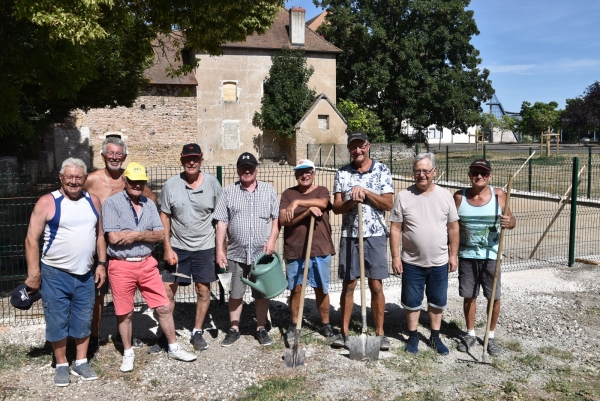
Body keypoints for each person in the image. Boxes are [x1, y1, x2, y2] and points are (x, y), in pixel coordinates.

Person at [102, 162, 196, 372]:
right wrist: (146, 235)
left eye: (141, 181)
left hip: (147, 263)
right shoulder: (111, 204)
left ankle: (173, 347)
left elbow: (160, 233)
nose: (137, 185)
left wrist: (135, 234)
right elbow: (114, 238)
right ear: (125, 181)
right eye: (133, 181)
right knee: (124, 313)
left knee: (163, 307)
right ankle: (128, 353)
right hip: (121, 265)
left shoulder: (149, 204)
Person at [24, 158, 106, 386]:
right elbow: (31, 238)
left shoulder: (94, 201)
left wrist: (101, 264)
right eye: (69, 176)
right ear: (61, 177)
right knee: (57, 318)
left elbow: (99, 235)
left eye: (78, 177)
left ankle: (80, 362)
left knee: (84, 318)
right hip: (55, 274)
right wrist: (33, 273)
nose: (74, 181)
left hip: (86, 274)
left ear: (85, 178)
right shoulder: (47, 202)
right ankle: (61, 364)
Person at [83, 136, 156, 356]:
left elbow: (151, 201)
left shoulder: (132, 180)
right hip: (96, 245)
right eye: (110, 153)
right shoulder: (91, 180)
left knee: (123, 295)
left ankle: (123, 334)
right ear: (103, 155)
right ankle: (94, 336)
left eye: (119, 154)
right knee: (97, 294)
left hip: (122, 249)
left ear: (124, 157)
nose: (115, 157)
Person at [149, 143, 222, 353]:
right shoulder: (171, 185)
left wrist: (220, 248)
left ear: (201, 160)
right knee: (166, 292)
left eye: (195, 159)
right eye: (188, 158)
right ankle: (165, 333)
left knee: (203, 290)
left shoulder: (212, 184)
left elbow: (220, 218)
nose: (192, 162)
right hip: (178, 248)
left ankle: (197, 331)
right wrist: (168, 248)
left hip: (204, 247)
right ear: (181, 160)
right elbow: (165, 216)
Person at [389, 152, 459, 355]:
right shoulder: (403, 196)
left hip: (439, 261)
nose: (421, 175)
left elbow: (453, 228)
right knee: (412, 303)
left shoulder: (445, 196)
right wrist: (395, 257)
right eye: (417, 171)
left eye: (425, 171)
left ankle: (435, 337)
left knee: (437, 301)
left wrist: (453, 255)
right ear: (413, 173)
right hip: (411, 262)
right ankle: (412, 336)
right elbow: (395, 228)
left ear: (434, 172)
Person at [331, 131, 394, 351]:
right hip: (350, 235)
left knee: (376, 284)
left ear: (368, 146)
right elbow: (337, 208)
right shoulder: (342, 173)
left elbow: (388, 203)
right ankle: (344, 333)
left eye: (361, 146)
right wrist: (351, 197)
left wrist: (365, 192)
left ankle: (380, 334)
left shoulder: (382, 170)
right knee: (349, 284)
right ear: (349, 149)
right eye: (353, 147)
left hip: (375, 234)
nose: (357, 150)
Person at [214, 152, 280, 347]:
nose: (247, 171)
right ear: (238, 170)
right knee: (235, 292)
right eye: (243, 168)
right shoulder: (228, 192)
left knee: (261, 293)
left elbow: (276, 219)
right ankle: (234, 328)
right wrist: (220, 250)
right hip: (235, 253)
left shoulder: (268, 190)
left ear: (256, 170)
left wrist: (272, 240)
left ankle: (260, 327)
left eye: (250, 167)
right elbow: (222, 223)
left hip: (262, 255)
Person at [453, 159, 516, 356]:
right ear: (469, 174)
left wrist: (509, 221)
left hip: (492, 256)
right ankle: (470, 333)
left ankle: (491, 336)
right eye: (475, 173)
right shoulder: (458, 197)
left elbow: (512, 220)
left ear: (490, 176)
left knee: (493, 297)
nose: (479, 176)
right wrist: (451, 253)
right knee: (469, 295)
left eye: (483, 173)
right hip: (467, 255)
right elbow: (451, 227)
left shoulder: (499, 195)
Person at [279, 159, 336, 342]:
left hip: (320, 248)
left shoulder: (321, 190)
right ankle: (295, 323)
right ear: (296, 175)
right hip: (295, 249)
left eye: (308, 172)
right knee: (296, 288)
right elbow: (284, 221)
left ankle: (326, 324)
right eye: (300, 172)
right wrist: (305, 212)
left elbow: (324, 203)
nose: (304, 175)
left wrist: (298, 204)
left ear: (314, 173)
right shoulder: (288, 194)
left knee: (321, 288)